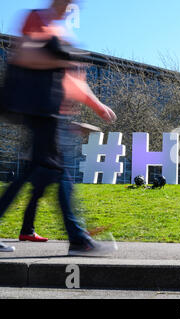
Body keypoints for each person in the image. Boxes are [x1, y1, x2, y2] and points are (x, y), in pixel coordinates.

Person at [0, 0, 116, 255]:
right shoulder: (37, 18)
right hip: (42, 111)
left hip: (54, 114)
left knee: (40, 174)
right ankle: (77, 237)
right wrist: (60, 54)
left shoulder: (61, 31)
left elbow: (73, 81)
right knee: (57, 173)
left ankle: (73, 237)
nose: (71, 7)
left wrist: (95, 105)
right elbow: (25, 56)